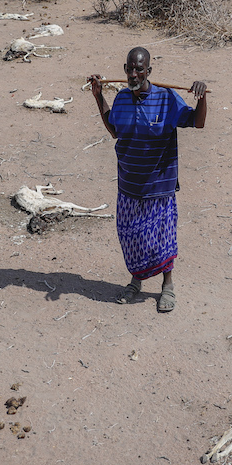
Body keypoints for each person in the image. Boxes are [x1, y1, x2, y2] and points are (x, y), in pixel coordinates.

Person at [87, 47, 208, 313]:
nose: (133, 74)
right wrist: (98, 97)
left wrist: (201, 97)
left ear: (148, 71)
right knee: (133, 239)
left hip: (158, 186)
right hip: (129, 184)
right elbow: (115, 130)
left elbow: (197, 123)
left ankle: (168, 286)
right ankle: (136, 280)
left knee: (162, 240)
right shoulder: (121, 99)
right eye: (129, 68)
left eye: (139, 69)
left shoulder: (167, 99)